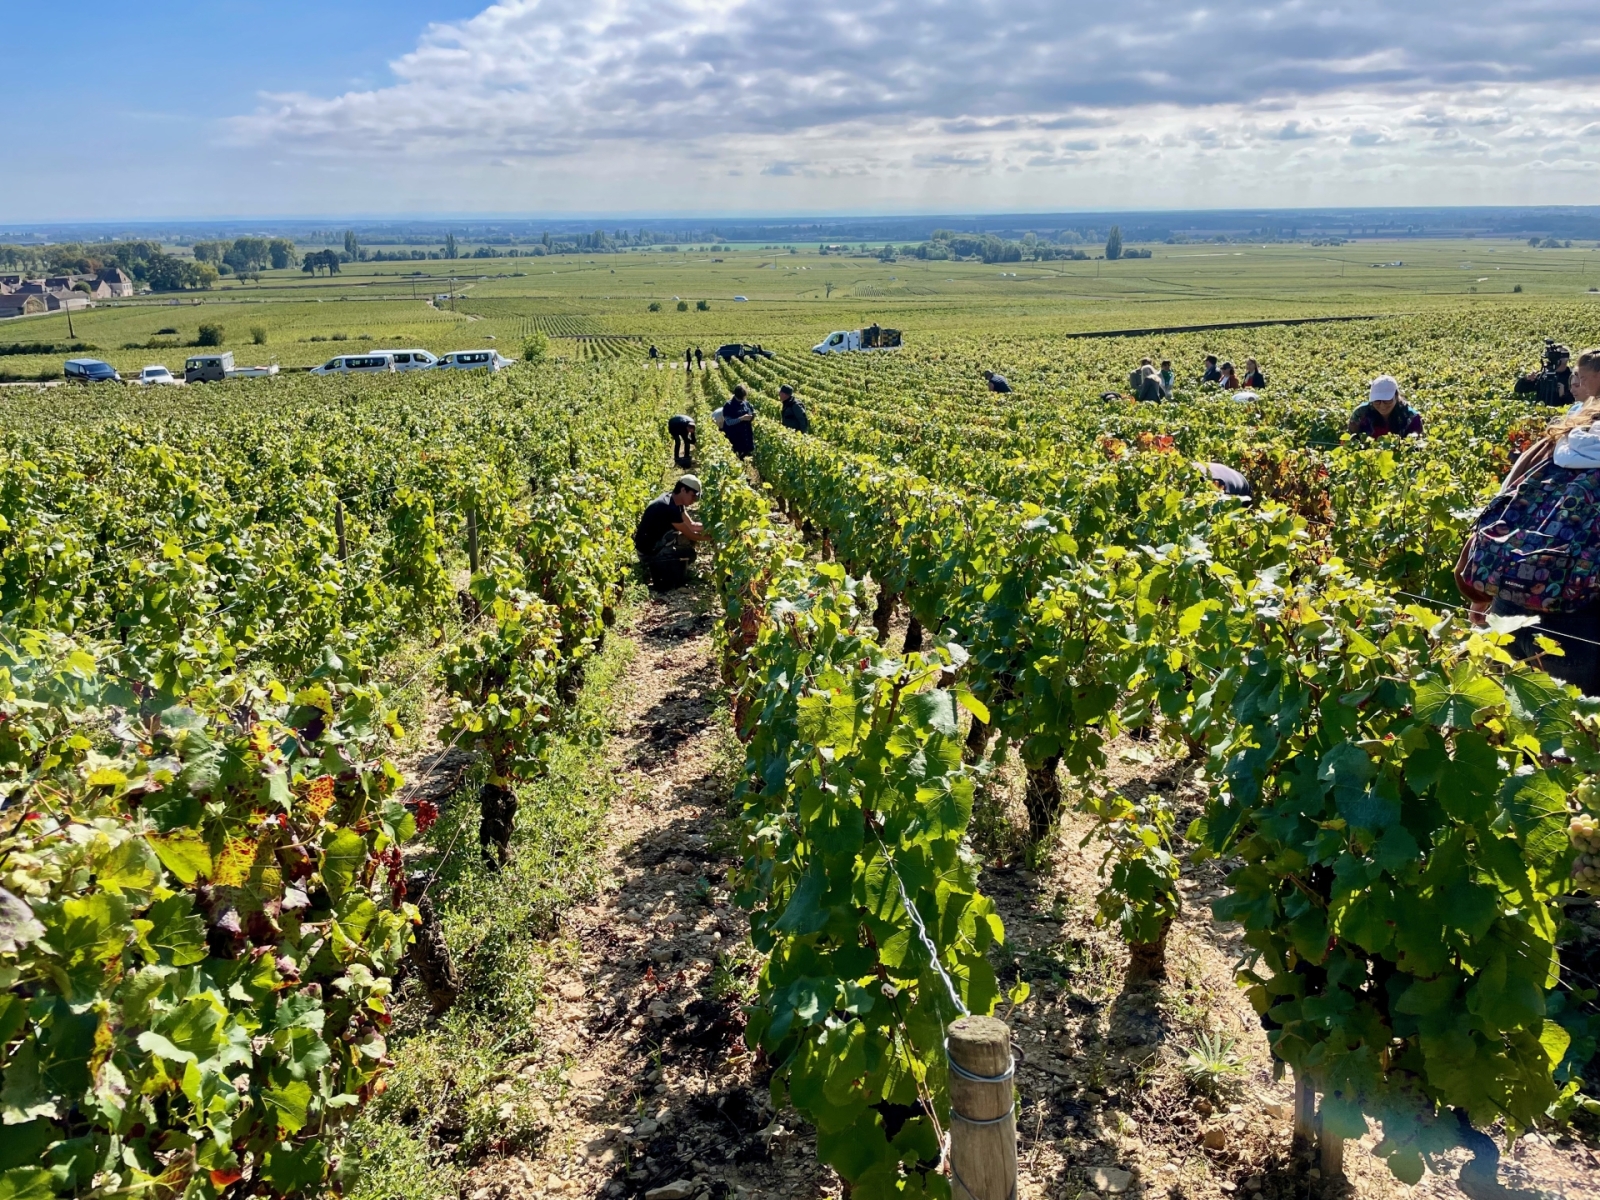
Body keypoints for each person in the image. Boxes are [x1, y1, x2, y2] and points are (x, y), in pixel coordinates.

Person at [1457, 360, 1600, 692]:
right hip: (1579, 631)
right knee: (1571, 735)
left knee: (1514, 727)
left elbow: (1503, 506)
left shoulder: (1564, 435)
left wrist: (1481, 594)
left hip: (1509, 608)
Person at [633, 475, 710, 591]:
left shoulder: (675, 501)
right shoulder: (669, 508)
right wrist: (711, 538)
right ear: (683, 490)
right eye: (693, 496)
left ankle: (665, 565)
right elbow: (690, 534)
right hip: (648, 552)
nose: (694, 500)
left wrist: (713, 528)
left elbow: (692, 525)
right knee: (689, 554)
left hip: (656, 543)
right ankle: (655, 566)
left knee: (686, 547)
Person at [1348, 375, 1423, 439]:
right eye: (1377, 401)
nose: (1382, 405)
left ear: (1396, 396)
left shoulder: (1412, 417)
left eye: (1387, 400)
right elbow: (1350, 440)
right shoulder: (1360, 414)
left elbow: (1416, 447)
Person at [1514, 341, 1573, 407]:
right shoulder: (1544, 375)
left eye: (1560, 355)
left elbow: (1576, 402)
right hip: (1540, 415)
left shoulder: (1572, 377)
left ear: (1567, 358)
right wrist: (1526, 379)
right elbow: (1518, 389)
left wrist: (1563, 395)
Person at [720, 383, 755, 458]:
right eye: (741, 398)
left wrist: (752, 416)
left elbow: (751, 412)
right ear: (736, 396)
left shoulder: (746, 403)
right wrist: (741, 418)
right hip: (735, 436)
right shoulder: (728, 406)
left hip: (746, 435)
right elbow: (728, 422)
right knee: (737, 456)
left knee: (747, 454)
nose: (743, 400)